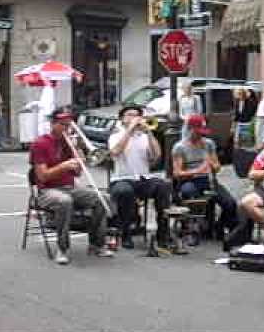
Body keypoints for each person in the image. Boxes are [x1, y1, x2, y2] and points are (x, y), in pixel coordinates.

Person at [29, 108, 114, 265]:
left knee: (103, 199)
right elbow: (42, 176)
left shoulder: (68, 143)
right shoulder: (40, 144)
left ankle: (96, 243)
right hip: (47, 191)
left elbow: (77, 173)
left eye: (68, 125)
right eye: (62, 124)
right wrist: (64, 165)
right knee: (64, 201)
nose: (66, 128)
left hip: (69, 187)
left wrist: (79, 155)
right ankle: (63, 248)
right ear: (52, 124)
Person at [108, 105, 172, 249]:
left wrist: (149, 133)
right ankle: (126, 234)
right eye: (130, 115)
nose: (134, 118)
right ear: (122, 119)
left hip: (143, 178)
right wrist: (130, 130)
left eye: (137, 115)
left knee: (163, 186)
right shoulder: (115, 136)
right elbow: (116, 152)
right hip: (122, 178)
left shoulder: (144, 137)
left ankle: (163, 234)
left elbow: (156, 156)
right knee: (125, 192)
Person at [172, 114, 238, 247]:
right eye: (198, 133)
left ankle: (218, 227)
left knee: (230, 203)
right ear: (190, 129)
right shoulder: (180, 147)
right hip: (189, 180)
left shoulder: (208, 144)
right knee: (189, 194)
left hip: (208, 180)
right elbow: (177, 173)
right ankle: (191, 230)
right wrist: (197, 171)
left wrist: (213, 165)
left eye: (202, 133)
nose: (200, 136)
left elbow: (217, 167)